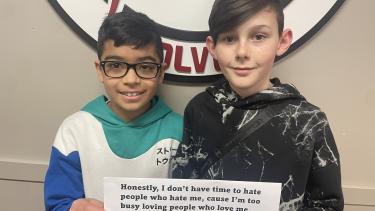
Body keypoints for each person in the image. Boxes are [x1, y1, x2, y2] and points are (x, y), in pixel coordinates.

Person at [172, 0, 344, 210]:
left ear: (282, 41)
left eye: (258, 37)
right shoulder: (198, 110)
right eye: (229, 38)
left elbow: (328, 204)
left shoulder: (309, 120)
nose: (242, 52)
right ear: (212, 47)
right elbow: (182, 187)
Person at [44, 9, 182, 211]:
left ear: (161, 72)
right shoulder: (75, 130)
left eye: (145, 66)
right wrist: (73, 208)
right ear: (100, 70)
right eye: (116, 65)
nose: (131, 80)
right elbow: (57, 203)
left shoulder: (182, 131)